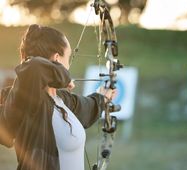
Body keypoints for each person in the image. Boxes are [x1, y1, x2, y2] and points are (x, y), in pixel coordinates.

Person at [0, 24, 116, 170]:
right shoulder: (28, 99)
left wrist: (102, 97)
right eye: (68, 56)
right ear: (57, 59)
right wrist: (62, 76)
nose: (68, 65)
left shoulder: (62, 100)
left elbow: (87, 106)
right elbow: (33, 67)